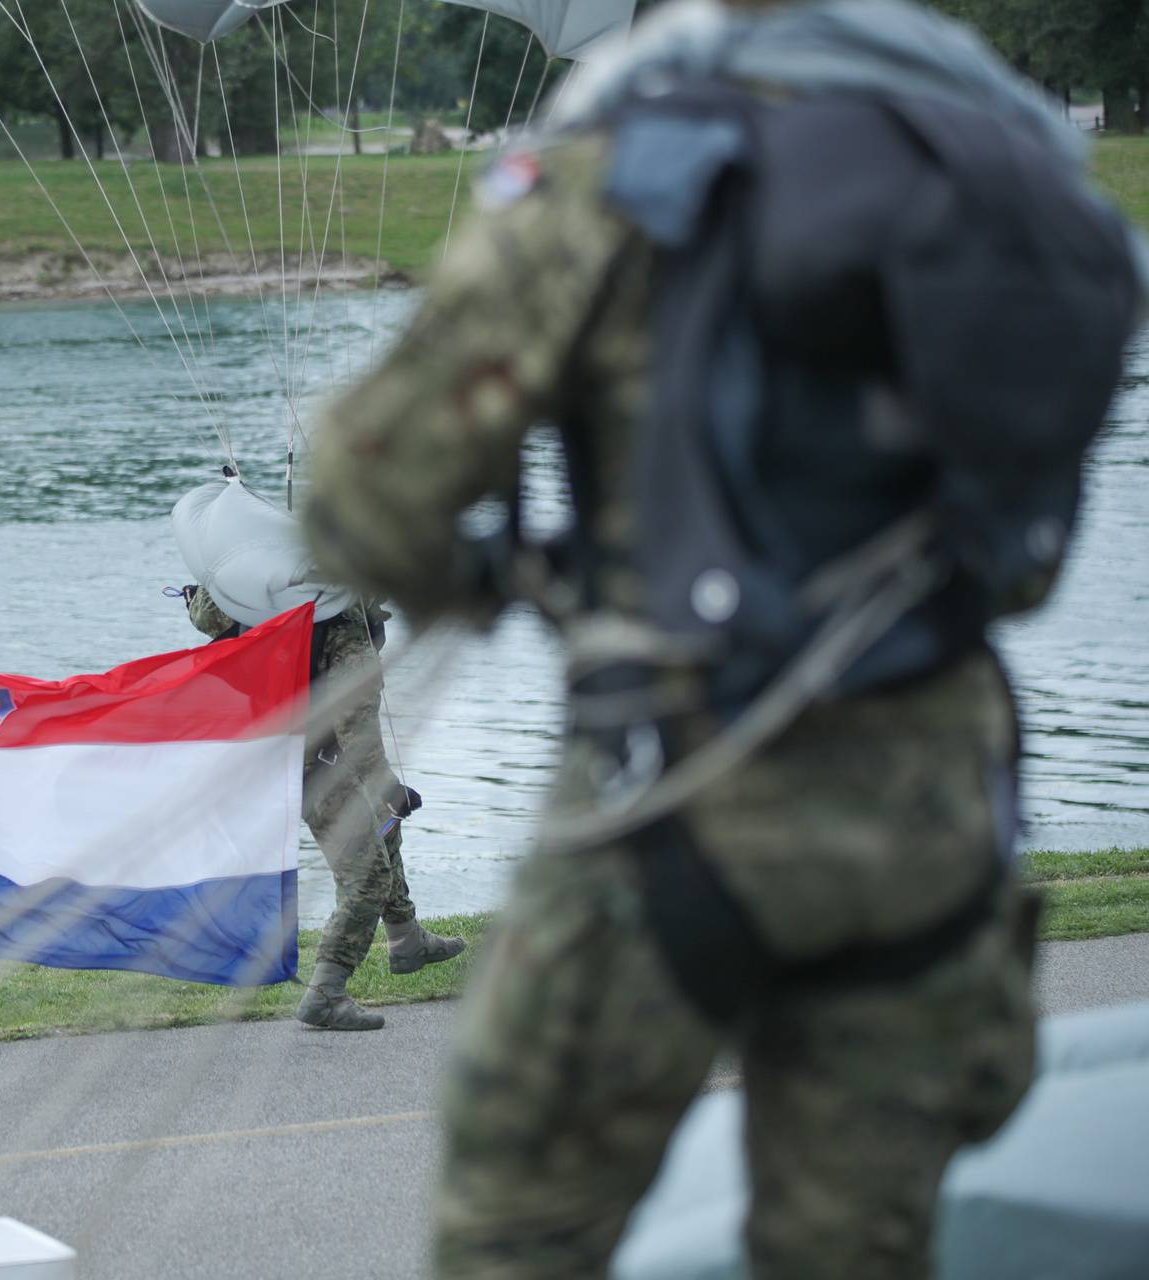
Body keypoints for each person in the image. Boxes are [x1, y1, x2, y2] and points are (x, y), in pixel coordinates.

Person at [301, 0, 1141, 1274]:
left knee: (513, 1233)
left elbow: (361, 493)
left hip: (670, 802)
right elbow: (1022, 554)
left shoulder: (614, 172)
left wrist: (500, 577)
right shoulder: (992, 168)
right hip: (931, 828)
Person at [173, 478, 465, 1031]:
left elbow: (209, 613)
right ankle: (326, 991)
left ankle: (406, 941)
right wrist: (387, 785)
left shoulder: (259, 598)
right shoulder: (344, 623)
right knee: (366, 876)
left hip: (282, 751)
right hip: (313, 765)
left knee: (386, 825)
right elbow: (357, 723)